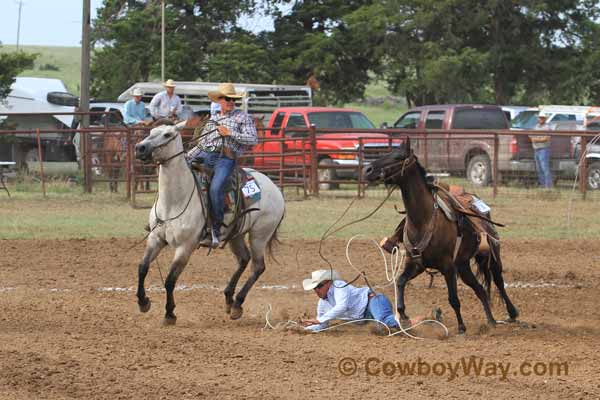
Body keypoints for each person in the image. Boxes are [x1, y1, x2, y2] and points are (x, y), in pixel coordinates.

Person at [187, 82, 258, 247]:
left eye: (233, 99)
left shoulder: (242, 117)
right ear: (219, 100)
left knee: (216, 188)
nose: (231, 102)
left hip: (226, 158)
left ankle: (216, 230)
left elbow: (253, 139)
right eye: (227, 99)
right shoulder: (213, 120)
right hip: (206, 154)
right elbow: (202, 144)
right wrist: (187, 157)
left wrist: (230, 133)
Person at [300, 269, 401, 333]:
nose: (317, 290)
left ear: (329, 283)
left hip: (373, 301)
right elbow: (322, 325)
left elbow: (342, 306)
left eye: (319, 286)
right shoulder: (322, 304)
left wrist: (319, 320)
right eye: (314, 288)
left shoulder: (338, 285)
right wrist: (304, 329)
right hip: (366, 316)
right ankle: (401, 322)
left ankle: (411, 322)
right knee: (383, 328)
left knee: (385, 322)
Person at [530, 114, 553, 188]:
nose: (540, 119)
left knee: (544, 168)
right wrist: (537, 139)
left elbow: (547, 138)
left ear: (545, 119)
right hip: (536, 149)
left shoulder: (547, 127)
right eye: (540, 118)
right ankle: (542, 184)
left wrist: (536, 140)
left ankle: (548, 185)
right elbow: (530, 136)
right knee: (539, 168)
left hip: (544, 149)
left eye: (542, 118)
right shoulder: (535, 127)